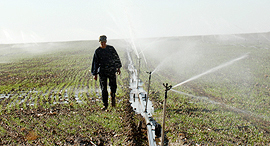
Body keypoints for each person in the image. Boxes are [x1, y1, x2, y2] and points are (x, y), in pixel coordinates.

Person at [91, 35, 122, 110]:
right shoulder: (97, 51)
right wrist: (94, 74)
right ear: (99, 42)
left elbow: (116, 58)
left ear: (106, 42)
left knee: (113, 87)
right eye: (102, 42)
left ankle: (113, 99)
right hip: (102, 72)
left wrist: (118, 68)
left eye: (104, 42)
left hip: (111, 71)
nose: (103, 44)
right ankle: (105, 105)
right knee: (104, 89)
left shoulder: (111, 49)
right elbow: (95, 63)